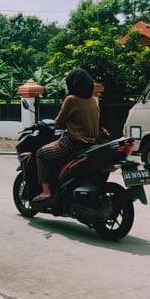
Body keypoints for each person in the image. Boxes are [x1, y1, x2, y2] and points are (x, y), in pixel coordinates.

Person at [32, 68, 100, 205]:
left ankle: (46, 191)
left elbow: (58, 122)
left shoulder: (71, 99)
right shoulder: (94, 99)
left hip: (73, 143)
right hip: (92, 144)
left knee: (40, 154)